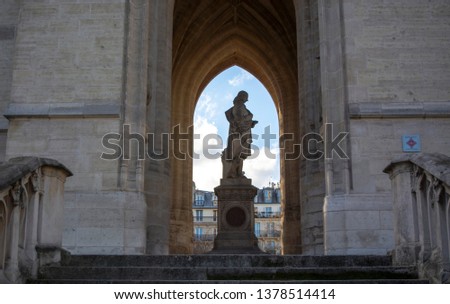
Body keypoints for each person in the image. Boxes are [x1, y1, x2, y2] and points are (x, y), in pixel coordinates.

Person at [223, 90, 258, 178]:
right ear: (243, 97)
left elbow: (241, 120)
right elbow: (239, 120)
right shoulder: (239, 106)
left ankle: (237, 172)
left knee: (240, 155)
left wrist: (250, 122)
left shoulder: (241, 106)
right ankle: (234, 173)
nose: (247, 99)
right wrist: (249, 122)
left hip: (242, 133)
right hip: (239, 134)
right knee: (238, 154)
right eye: (246, 97)